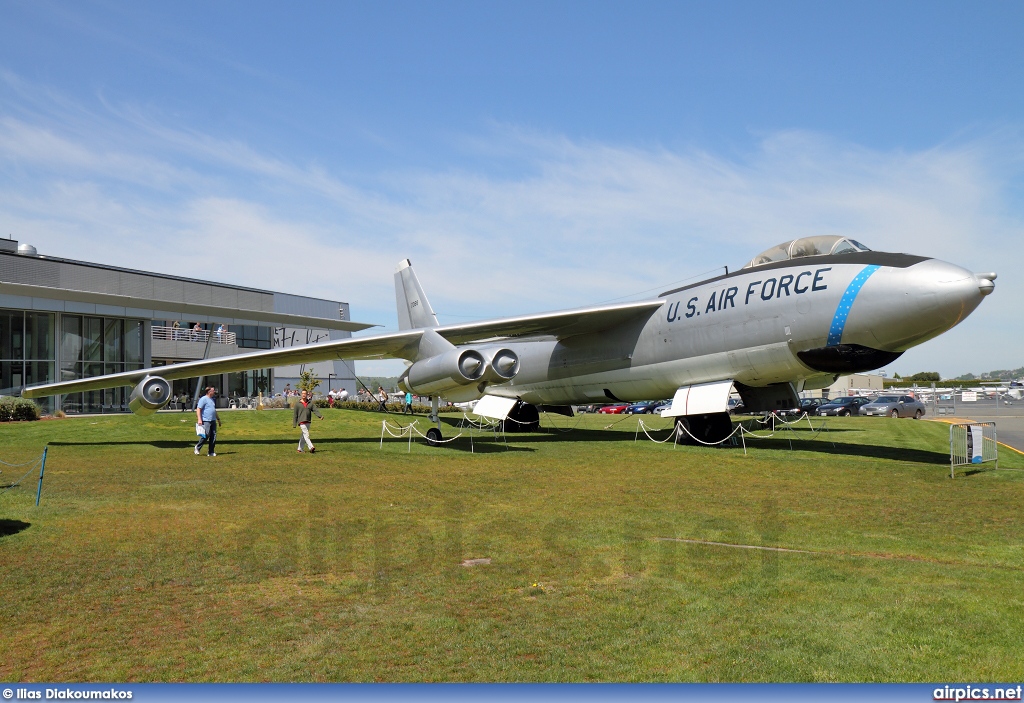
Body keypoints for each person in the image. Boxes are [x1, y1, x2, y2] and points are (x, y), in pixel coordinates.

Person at [293, 389, 323, 453]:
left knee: (303, 436)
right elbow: (295, 414)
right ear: (301, 394)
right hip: (301, 421)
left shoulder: (310, 403)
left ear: (307, 395)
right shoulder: (297, 404)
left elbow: (315, 410)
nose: (304, 395)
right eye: (302, 393)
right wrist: (294, 424)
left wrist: (320, 416)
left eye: (305, 393)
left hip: (308, 421)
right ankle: (311, 447)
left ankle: (300, 449)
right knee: (306, 434)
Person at [194, 386, 220, 457]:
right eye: (213, 390)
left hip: (213, 420)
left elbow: (214, 410)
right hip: (206, 420)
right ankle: (198, 447)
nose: (214, 392)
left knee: (213, 436)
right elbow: (198, 409)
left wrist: (218, 419)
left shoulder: (212, 399)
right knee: (206, 434)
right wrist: (199, 419)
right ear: (209, 392)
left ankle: (211, 452)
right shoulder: (203, 399)